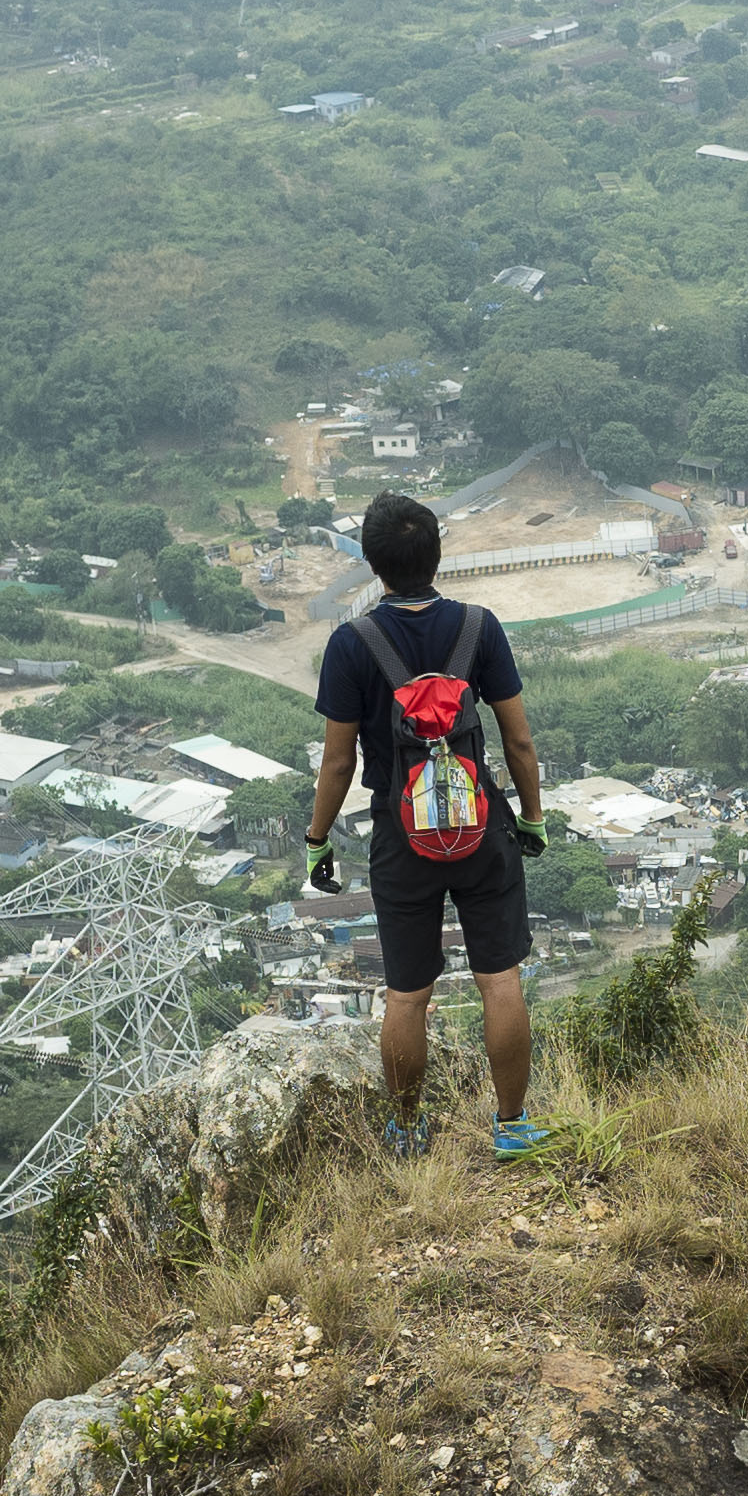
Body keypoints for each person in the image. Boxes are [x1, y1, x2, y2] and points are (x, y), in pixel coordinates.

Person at [305, 492, 551, 1159]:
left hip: (400, 838)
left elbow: (337, 762)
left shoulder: (352, 644)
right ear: (437, 554)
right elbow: (519, 742)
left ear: (371, 563)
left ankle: (407, 1132)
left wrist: (317, 839)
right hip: (482, 831)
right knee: (500, 980)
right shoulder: (480, 626)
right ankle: (513, 1126)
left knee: (407, 994)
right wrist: (530, 819)